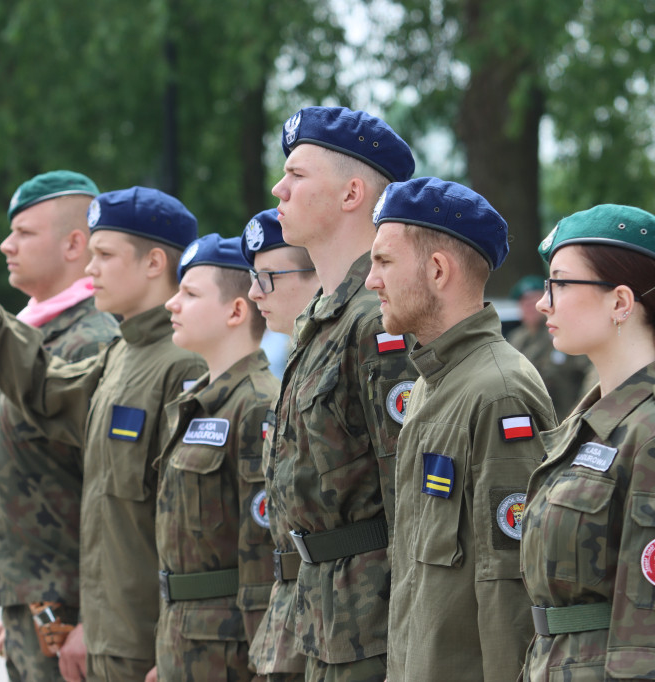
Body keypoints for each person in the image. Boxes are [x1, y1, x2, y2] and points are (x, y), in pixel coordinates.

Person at [0, 185, 206, 682]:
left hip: (138, 633)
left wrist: (170, 641)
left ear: (153, 262)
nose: (92, 268)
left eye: (104, 254)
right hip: (103, 626)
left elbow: (189, 528)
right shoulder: (122, 354)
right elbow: (42, 385)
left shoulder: (181, 365)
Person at [365, 177, 557, 680]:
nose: (371, 280)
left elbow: (510, 590)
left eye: (384, 262)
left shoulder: (497, 391)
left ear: (437, 269)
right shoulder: (434, 382)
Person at [255, 106, 419, 682]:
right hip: (317, 618)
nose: (279, 186)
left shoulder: (377, 322)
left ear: (352, 193)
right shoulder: (327, 315)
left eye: (297, 175)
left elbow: (409, 498)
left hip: (369, 631)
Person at [0, 170, 119, 681]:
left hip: (78, 605)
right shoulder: (37, 329)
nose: (7, 245)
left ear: (76, 243)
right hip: (42, 602)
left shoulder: (92, 338)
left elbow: (116, 496)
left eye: (25, 233)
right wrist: (23, 608)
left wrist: (95, 619)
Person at [520, 204, 655, 679]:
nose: (542, 302)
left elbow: (646, 637)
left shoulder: (648, 429)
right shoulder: (592, 421)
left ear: (620, 302)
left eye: (559, 282)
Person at [146, 234, 279, 682]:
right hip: (186, 645)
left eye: (190, 293)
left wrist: (266, 667)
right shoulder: (200, 402)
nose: (172, 304)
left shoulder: (258, 404)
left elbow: (265, 557)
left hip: (232, 655)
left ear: (236, 311)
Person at [240, 210, 320, 681]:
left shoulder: (356, 342)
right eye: (253, 277)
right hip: (292, 611)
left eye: (268, 278)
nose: (254, 293)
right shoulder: (297, 360)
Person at [507, 275, 593, 420]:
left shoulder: (562, 334)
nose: (530, 307)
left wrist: (579, 416)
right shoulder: (517, 339)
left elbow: (589, 374)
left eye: (533, 301)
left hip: (564, 419)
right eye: (524, 303)